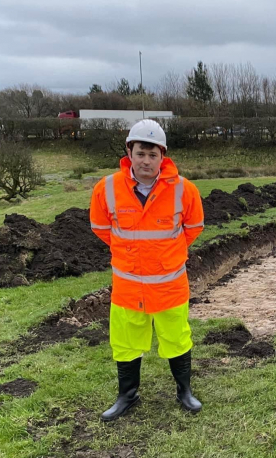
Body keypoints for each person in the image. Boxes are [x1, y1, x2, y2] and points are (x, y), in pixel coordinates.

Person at [89, 119, 205, 422]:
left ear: (162, 157)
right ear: (129, 152)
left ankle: (184, 392)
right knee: (125, 343)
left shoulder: (184, 190)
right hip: (128, 286)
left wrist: (166, 255)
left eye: (153, 155)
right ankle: (127, 395)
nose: (146, 161)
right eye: (141, 153)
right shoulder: (107, 188)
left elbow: (193, 227)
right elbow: (101, 227)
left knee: (177, 338)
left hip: (169, 285)